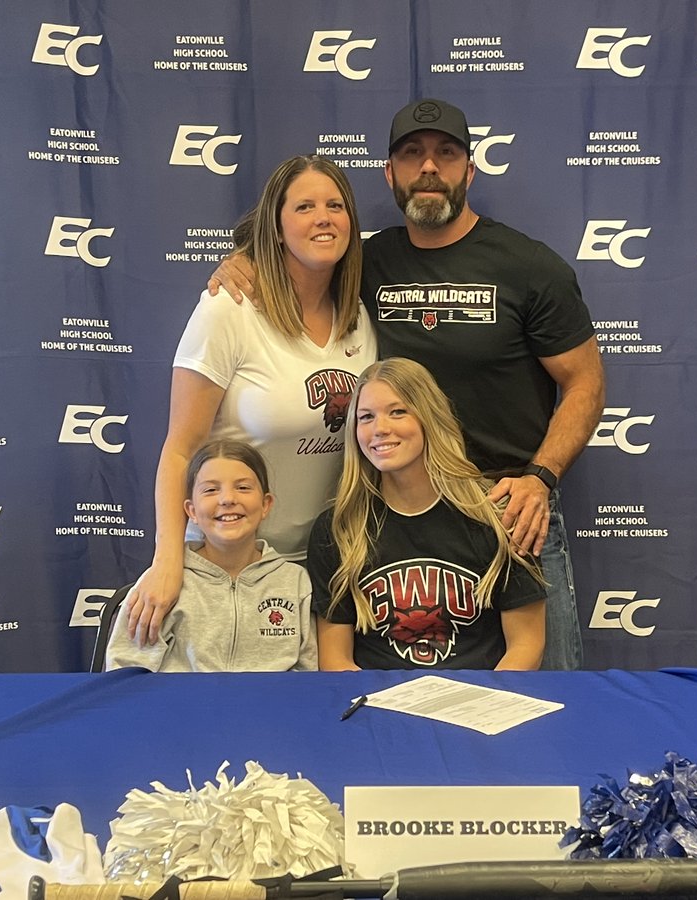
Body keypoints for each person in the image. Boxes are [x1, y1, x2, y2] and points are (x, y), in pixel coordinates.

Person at [211, 99, 604, 670]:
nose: (429, 167)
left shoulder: (530, 267)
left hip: (509, 512)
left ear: (470, 171)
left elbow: (585, 384)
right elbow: (298, 251)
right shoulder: (364, 263)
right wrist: (244, 260)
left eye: (446, 154)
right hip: (397, 521)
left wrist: (540, 478)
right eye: (412, 154)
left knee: (551, 688)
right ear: (389, 174)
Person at [126, 155, 377, 646]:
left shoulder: (359, 319)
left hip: (322, 568)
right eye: (304, 206)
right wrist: (168, 559)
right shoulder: (230, 309)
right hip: (229, 564)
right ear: (276, 228)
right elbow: (180, 449)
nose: (323, 218)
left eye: (335, 206)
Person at [308, 357, 545, 670]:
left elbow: (526, 645)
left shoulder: (499, 517)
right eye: (366, 417)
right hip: (378, 697)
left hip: (479, 694)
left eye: (397, 412)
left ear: (429, 417)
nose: (380, 429)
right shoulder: (338, 529)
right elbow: (335, 660)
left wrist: (483, 698)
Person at [106, 440, 316, 672]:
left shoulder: (295, 582)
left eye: (243, 487)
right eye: (210, 490)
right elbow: (126, 673)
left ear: (265, 504)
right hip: (183, 697)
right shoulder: (161, 586)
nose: (227, 499)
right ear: (192, 511)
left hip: (272, 697)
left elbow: (310, 676)